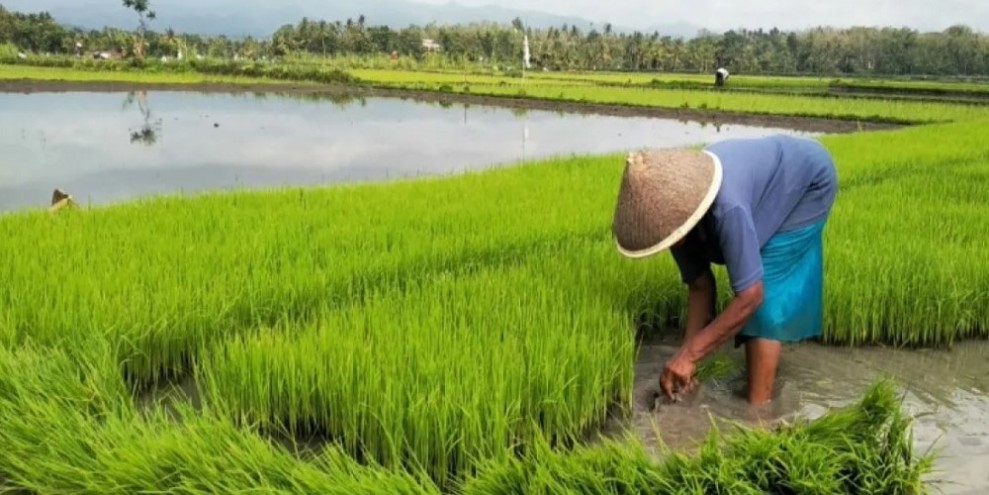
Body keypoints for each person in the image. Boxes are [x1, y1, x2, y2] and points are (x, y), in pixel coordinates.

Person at [611, 135, 838, 405]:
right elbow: (700, 286)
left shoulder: (727, 208)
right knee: (748, 277)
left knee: (766, 292)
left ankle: (758, 412)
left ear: (685, 215)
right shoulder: (673, 219)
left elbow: (751, 296)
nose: (668, 243)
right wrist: (686, 357)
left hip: (807, 182)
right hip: (759, 183)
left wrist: (690, 355)